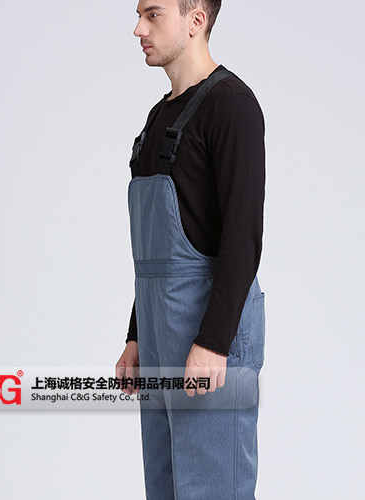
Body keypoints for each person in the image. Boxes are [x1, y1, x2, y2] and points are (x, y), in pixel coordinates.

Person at [115, 1, 266, 498]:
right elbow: (157, 256)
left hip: (208, 334)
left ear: (196, 19)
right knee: (165, 487)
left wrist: (215, 342)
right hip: (160, 335)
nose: (138, 28)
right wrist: (137, 335)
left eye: (153, 14)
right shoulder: (158, 118)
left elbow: (242, 237)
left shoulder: (232, 106)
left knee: (213, 487)